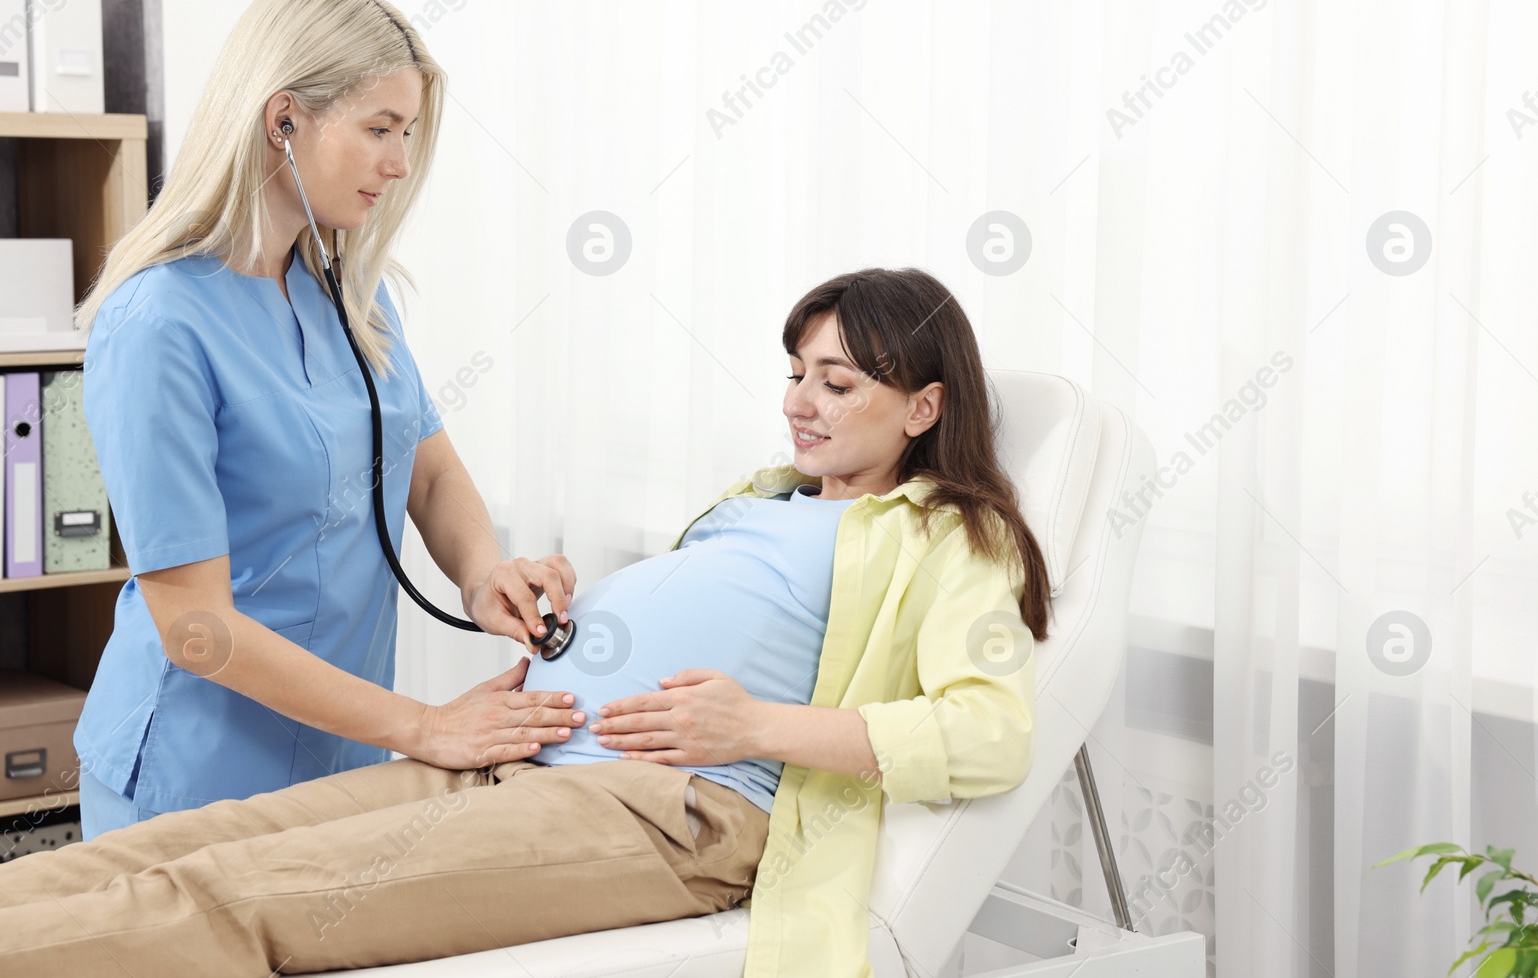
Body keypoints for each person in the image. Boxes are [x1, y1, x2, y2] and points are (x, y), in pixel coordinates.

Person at [0, 269, 1052, 978]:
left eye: (838, 382)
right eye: (794, 374)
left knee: (234, 896)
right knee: (180, 846)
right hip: (518, 747)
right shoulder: (763, 498)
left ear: (923, 407)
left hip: (660, 808)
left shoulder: (949, 536)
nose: (799, 402)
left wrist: (756, 726)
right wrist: (561, 608)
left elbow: (986, 732)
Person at [68, 0, 581, 839]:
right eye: (380, 128)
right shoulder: (159, 323)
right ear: (283, 120)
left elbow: (428, 470)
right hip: (195, 773)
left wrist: (484, 570)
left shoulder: (352, 298)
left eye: (409, 131)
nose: (401, 162)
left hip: (342, 755)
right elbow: (195, 627)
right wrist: (424, 725)